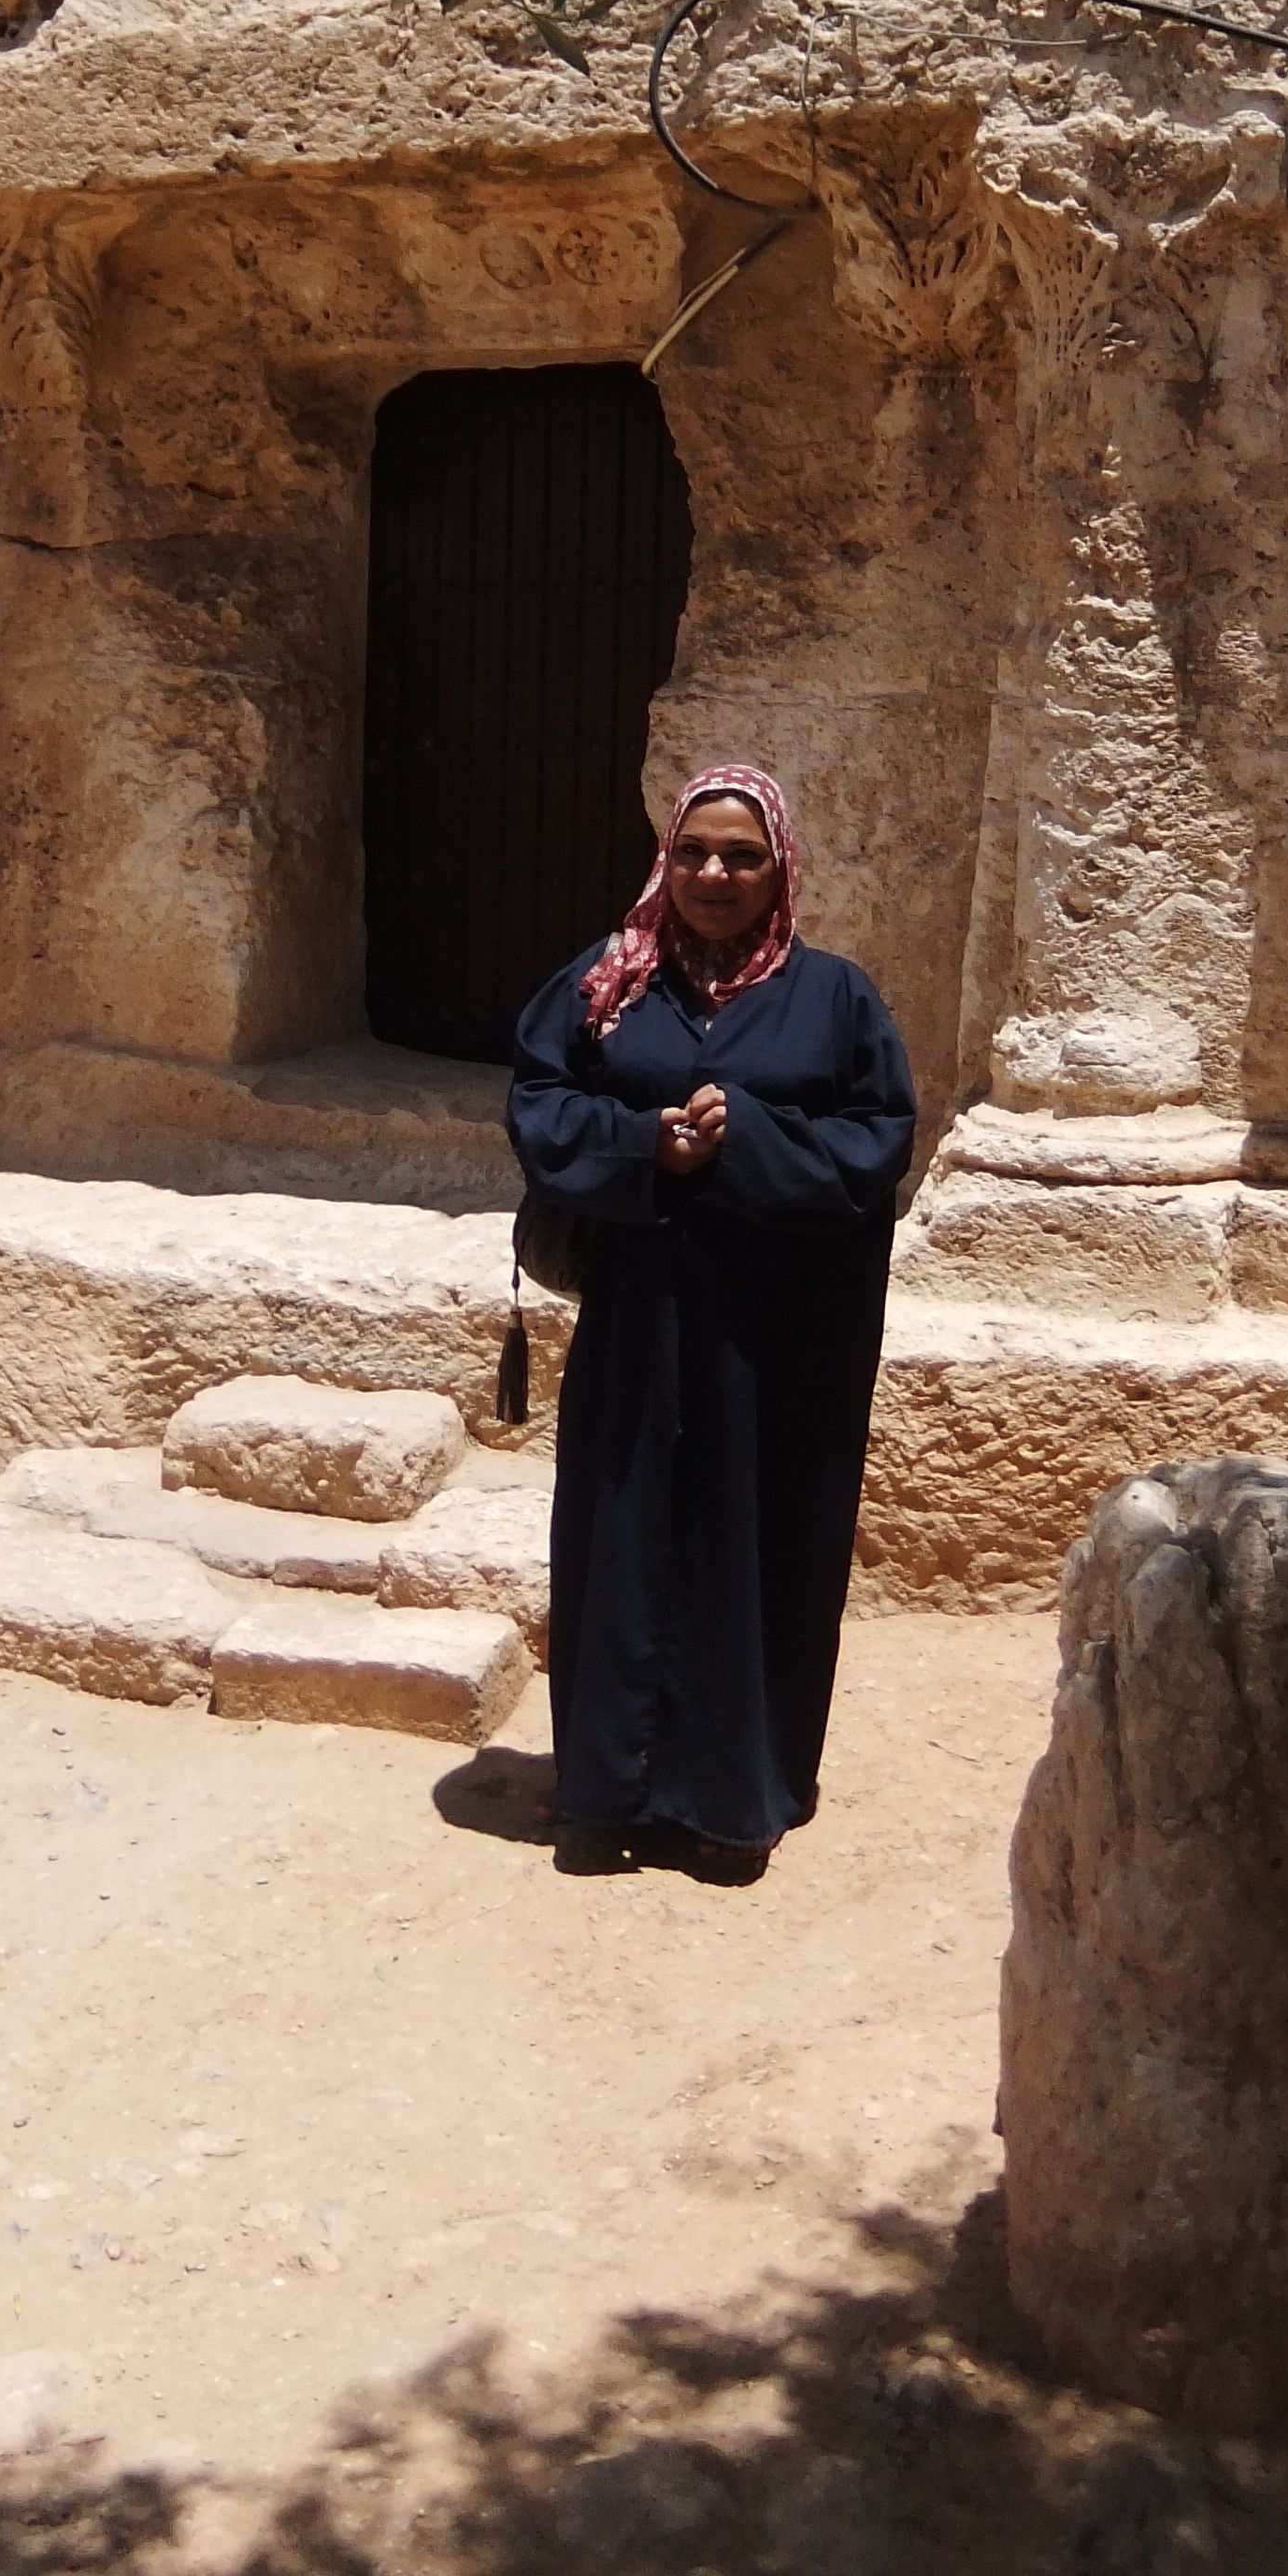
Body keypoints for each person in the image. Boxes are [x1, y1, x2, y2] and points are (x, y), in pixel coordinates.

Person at [506, 763, 917, 1878]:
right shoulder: (610, 981)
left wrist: (751, 1139)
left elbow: (879, 1141)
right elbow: (539, 1102)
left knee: (756, 1540)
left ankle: (735, 1798)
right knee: (620, 1534)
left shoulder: (837, 999)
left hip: (771, 1340)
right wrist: (646, 1144)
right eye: (692, 852)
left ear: (780, 868)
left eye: (741, 855)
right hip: (639, 1324)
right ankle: (603, 1788)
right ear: (665, 861)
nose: (713, 874)